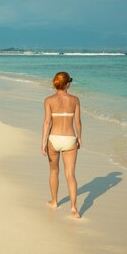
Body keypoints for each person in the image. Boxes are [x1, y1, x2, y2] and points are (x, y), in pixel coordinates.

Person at [41, 71, 81, 219]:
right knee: (70, 174)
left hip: (53, 139)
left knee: (54, 171)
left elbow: (47, 122)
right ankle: (74, 208)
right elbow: (77, 122)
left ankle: (54, 201)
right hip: (70, 138)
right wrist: (80, 138)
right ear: (67, 84)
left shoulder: (48, 100)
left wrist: (43, 142)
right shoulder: (75, 100)